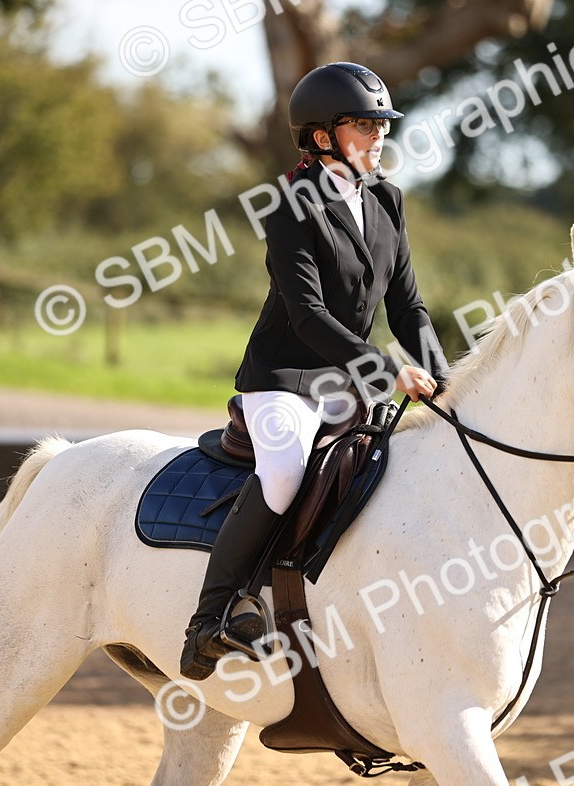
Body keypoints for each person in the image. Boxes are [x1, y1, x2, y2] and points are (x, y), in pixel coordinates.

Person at [180, 62, 451, 680]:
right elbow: (307, 315)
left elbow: (406, 306)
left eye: (383, 124)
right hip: (283, 380)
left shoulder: (387, 199)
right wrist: (386, 371)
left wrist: (443, 374)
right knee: (283, 473)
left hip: (348, 382)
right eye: (364, 125)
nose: (379, 136)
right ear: (323, 136)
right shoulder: (287, 204)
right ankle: (209, 621)